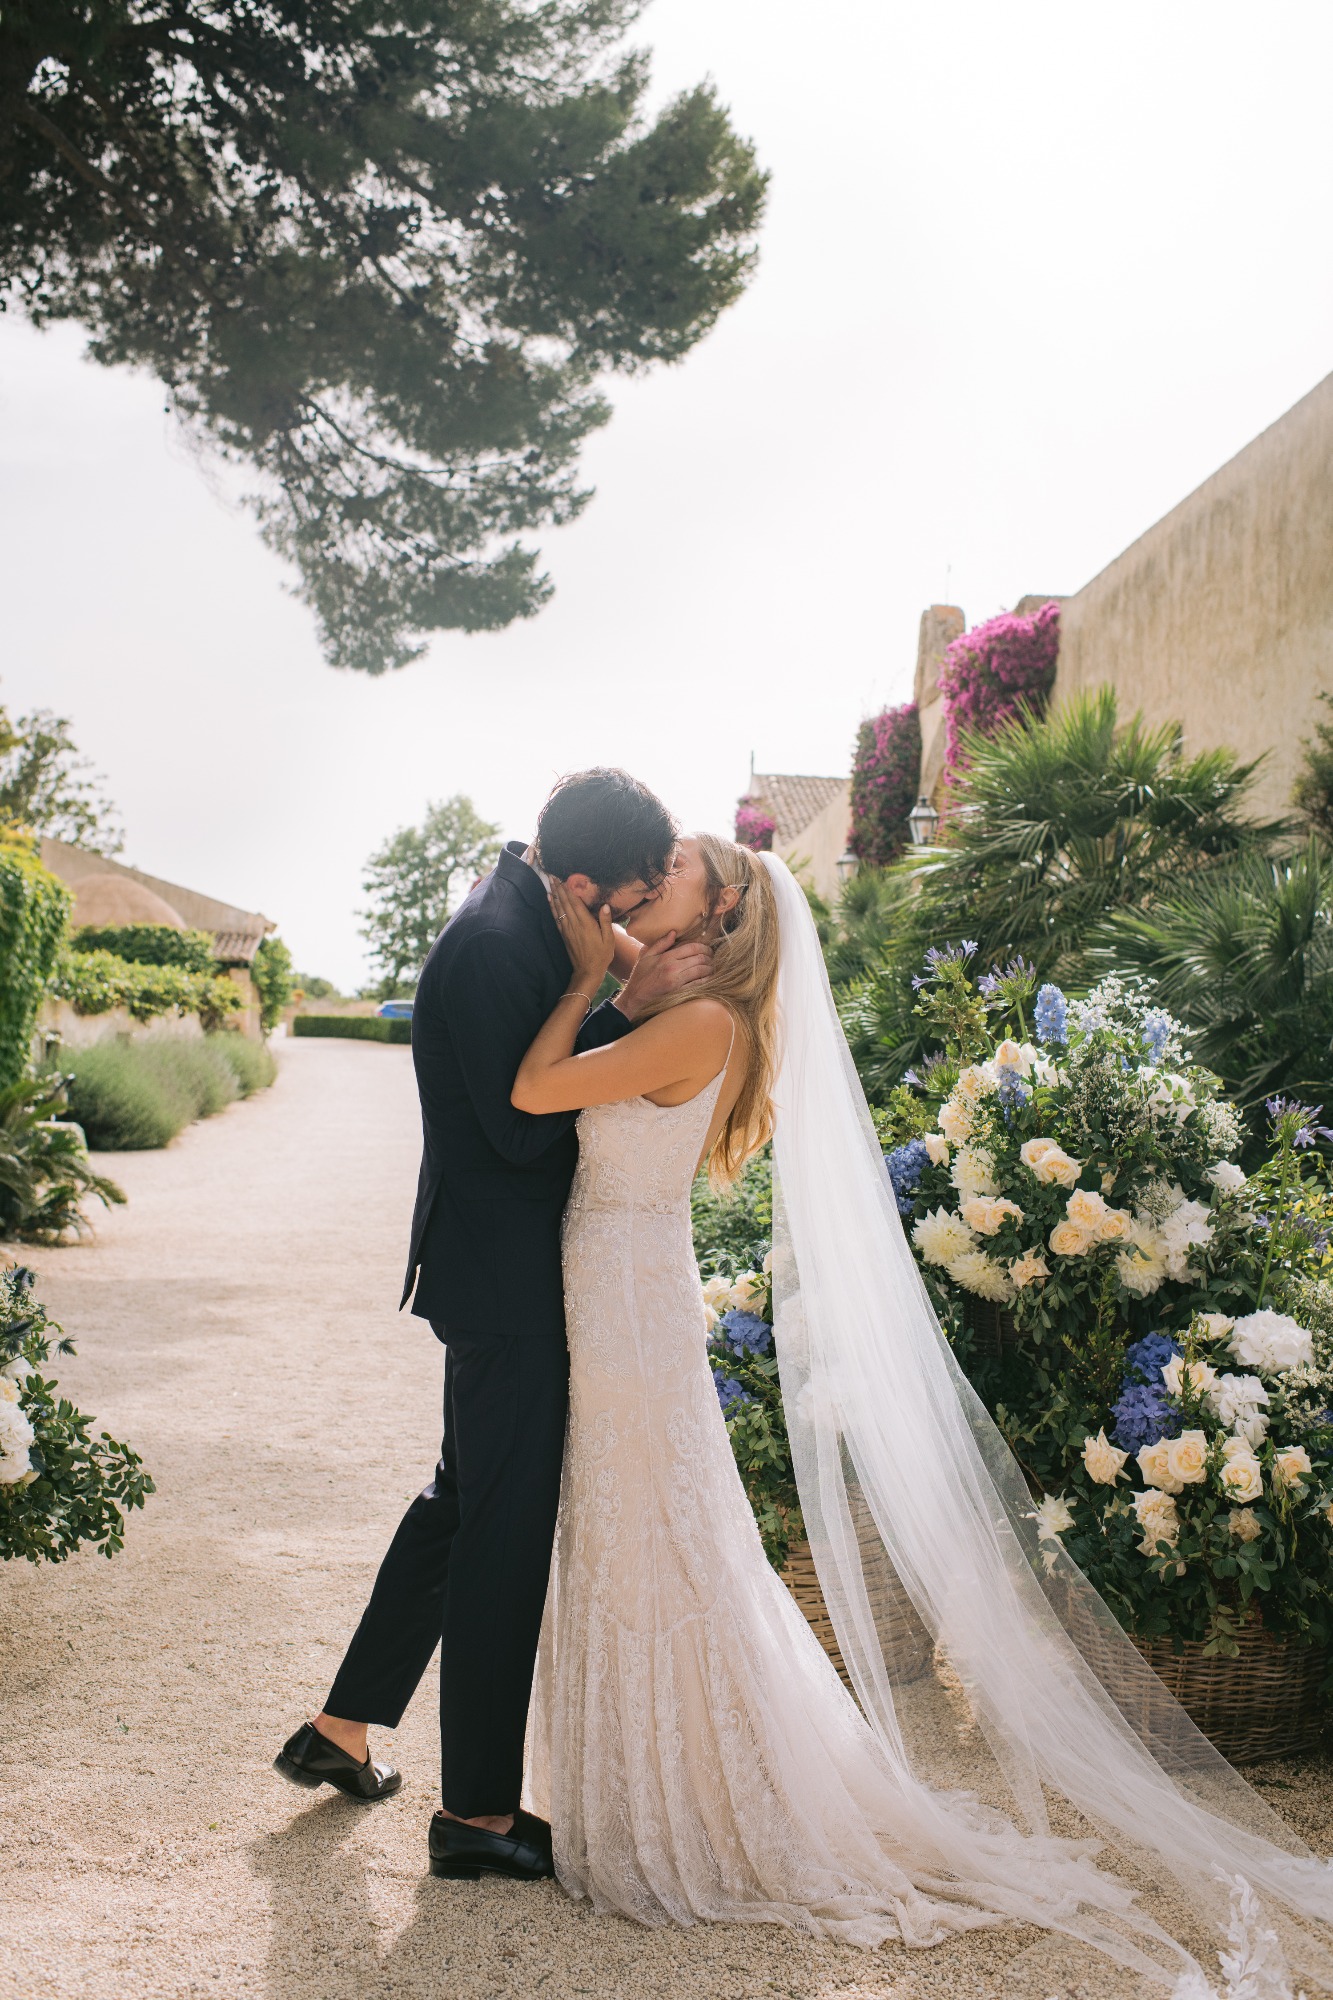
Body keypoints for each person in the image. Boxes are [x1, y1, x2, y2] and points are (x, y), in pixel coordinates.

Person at [509, 834, 1333, 1992]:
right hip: (609, 1283)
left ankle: (689, 1802)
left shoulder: (705, 1020)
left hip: (625, 1300)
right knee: (626, 1522)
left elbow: (538, 1087)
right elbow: (601, 918)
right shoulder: (674, 979)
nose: (661, 869)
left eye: (683, 861)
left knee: (647, 1532)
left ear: (727, 905)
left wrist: (579, 978)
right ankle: (628, 1781)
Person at [274, 769, 711, 1885]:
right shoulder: (494, 946)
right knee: (500, 1542)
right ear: (573, 883)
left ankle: (340, 1729)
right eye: (615, 905)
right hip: (511, 1285)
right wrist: (613, 1002)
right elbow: (522, 1133)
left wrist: (608, 982)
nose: (620, 925)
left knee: (458, 1504)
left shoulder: (529, 909)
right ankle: (473, 1811)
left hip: (508, 1272)